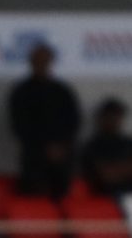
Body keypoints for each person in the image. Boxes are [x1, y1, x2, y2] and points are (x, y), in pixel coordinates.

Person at [8, 43, 81, 200]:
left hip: (62, 158)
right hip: (34, 158)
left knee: (61, 197)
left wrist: (61, 146)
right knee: (34, 198)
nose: (41, 65)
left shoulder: (62, 91)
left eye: (45, 61)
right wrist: (44, 148)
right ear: (31, 62)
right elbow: (20, 125)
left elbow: (73, 122)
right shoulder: (21, 92)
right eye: (37, 61)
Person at [79, 98, 132, 196]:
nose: (114, 119)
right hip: (110, 198)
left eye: (117, 116)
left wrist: (120, 170)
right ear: (101, 118)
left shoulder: (131, 142)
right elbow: (107, 176)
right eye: (110, 116)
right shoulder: (93, 145)